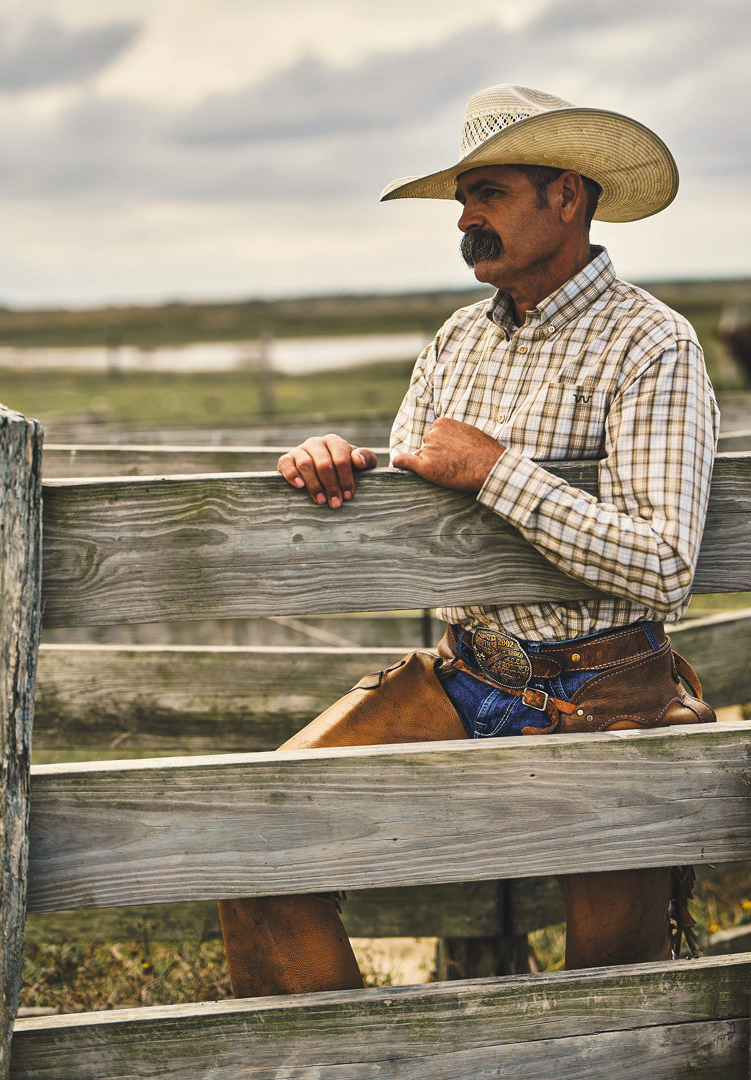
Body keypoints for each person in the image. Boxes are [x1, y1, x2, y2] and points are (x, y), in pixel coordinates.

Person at [219, 84, 720, 997]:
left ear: (564, 196)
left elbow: (666, 565)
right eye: (462, 196)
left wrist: (499, 471)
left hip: (605, 694)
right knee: (256, 831)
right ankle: (354, 1066)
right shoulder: (456, 342)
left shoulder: (654, 345)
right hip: (464, 675)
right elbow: (418, 485)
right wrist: (343, 464)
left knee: (616, 987)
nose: (464, 216)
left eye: (486, 191)